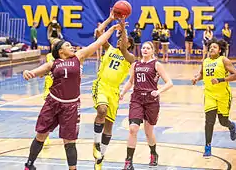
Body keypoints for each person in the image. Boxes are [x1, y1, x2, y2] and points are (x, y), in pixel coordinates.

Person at [23, 22, 122, 170]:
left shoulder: (78, 57)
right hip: (53, 103)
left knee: (69, 141)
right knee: (41, 135)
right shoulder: (53, 63)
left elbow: (98, 42)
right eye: (68, 45)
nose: (72, 47)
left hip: (71, 106)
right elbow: (37, 71)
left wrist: (112, 29)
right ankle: (29, 165)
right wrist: (28, 72)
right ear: (60, 50)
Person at [120, 41, 173, 169]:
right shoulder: (135, 64)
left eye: (148, 48)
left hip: (151, 100)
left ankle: (153, 153)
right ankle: (128, 162)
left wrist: (158, 91)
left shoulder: (156, 64)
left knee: (148, 132)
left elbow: (169, 82)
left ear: (152, 51)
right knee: (133, 129)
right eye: (143, 47)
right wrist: (122, 93)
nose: (145, 49)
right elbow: (130, 82)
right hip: (137, 99)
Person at [92, 14, 135, 170]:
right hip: (102, 85)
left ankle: (100, 158)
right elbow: (98, 32)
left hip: (114, 91)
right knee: (101, 110)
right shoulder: (109, 48)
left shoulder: (130, 57)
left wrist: (123, 29)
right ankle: (96, 144)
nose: (120, 41)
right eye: (119, 38)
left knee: (109, 126)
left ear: (130, 44)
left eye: (124, 40)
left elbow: (123, 47)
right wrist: (110, 20)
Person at [192, 38, 236, 158]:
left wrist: (221, 80)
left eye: (214, 47)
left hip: (223, 95)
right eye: (210, 47)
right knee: (209, 121)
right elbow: (202, 74)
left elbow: (235, 74)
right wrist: (197, 78)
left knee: (223, 121)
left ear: (220, 50)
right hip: (209, 94)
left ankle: (232, 126)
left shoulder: (223, 60)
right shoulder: (205, 61)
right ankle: (207, 146)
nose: (211, 48)